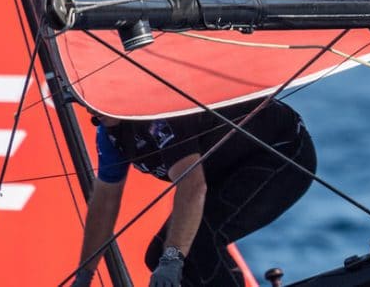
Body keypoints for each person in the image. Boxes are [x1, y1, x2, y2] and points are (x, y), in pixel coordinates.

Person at [72, 98, 315, 287]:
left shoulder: (159, 115)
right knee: (159, 255)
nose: (87, 106)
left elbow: (192, 185)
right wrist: (85, 274)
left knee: (192, 245)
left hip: (282, 151)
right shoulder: (109, 135)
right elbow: (104, 201)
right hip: (231, 168)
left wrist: (173, 258)